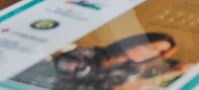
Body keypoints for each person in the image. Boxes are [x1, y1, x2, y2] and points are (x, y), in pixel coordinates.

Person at [12, 32, 180, 90]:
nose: (151, 54)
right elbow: (54, 80)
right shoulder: (86, 54)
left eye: (160, 53)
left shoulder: (131, 71)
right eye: (151, 47)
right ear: (136, 42)